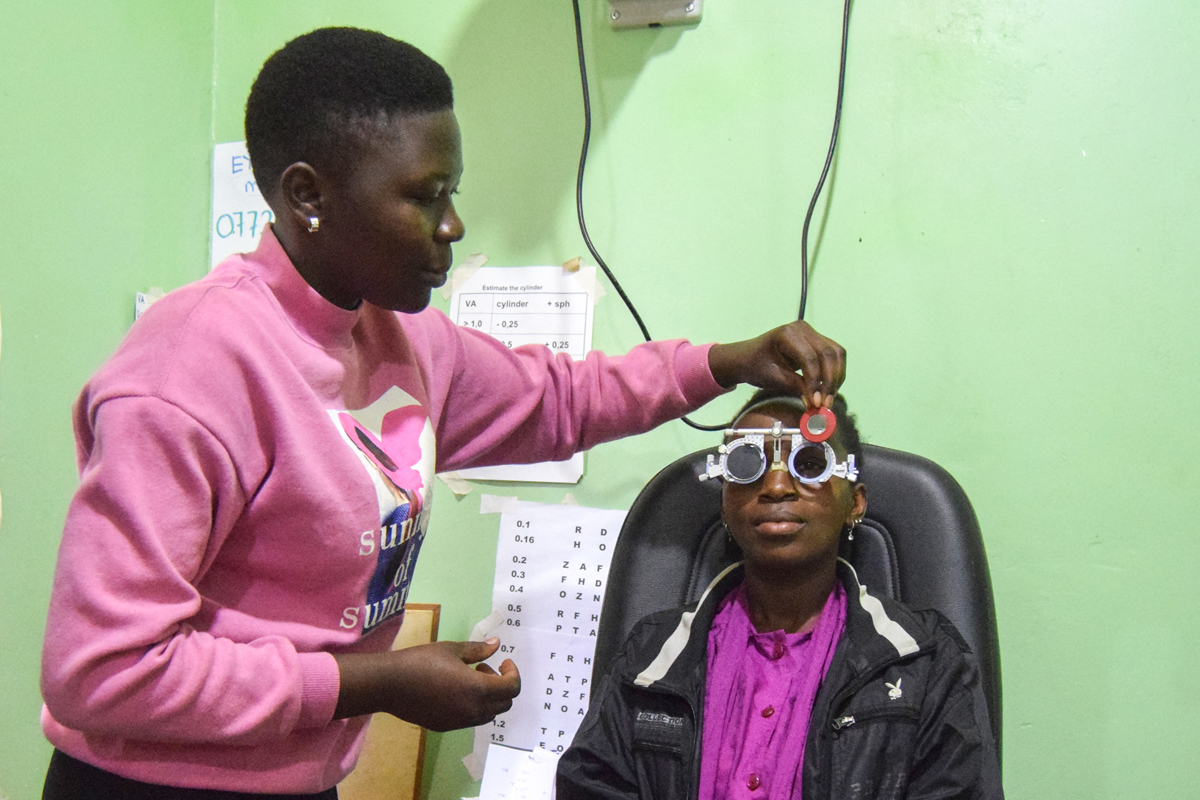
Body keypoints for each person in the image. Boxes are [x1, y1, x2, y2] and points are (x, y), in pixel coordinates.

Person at [38, 27, 849, 799]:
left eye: (450, 193)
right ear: (308, 194)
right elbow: (101, 672)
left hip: (299, 777)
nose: (452, 225)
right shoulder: (189, 370)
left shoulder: (399, 335)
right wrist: (373, 682)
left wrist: (724, 364)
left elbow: (562, 401)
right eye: (424, 198)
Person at [556, 392, 1004, 799]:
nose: (775, 487)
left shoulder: (926, 663)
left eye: (809, 463)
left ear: (855, 503)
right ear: (725, 499)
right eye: (747, 464)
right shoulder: (652, 655)